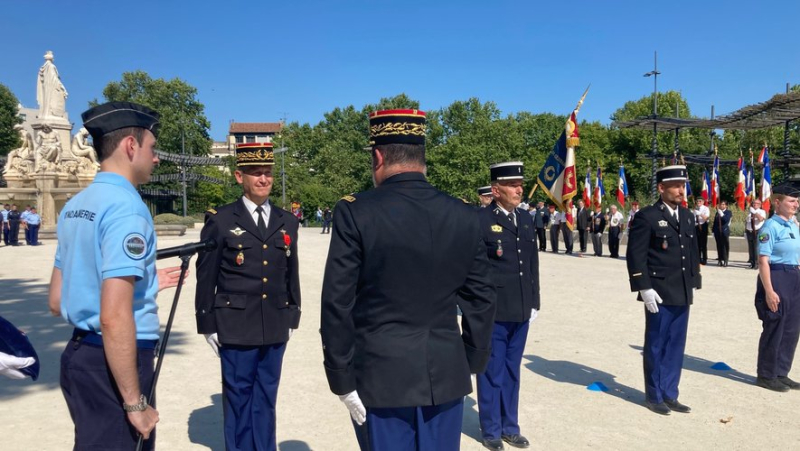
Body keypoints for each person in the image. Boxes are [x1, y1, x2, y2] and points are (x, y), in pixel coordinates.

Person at [320, 109, 496, 451]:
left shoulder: (356, 211)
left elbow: (338, 302)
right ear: (422, 157)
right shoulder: (462, 213)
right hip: (446, 374)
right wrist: (472, 359)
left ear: (378, 156)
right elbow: (481, 296)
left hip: (380, 377)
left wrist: (341, 376)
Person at [48, 102, 164, 449]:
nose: (155, 158)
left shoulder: (75, 205)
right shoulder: (128, 209)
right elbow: (114, 316)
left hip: (79, 355)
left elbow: (56, 299)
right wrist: (134, 403)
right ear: (131, 145)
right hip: (116, 363)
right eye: (152, 148)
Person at [195, 141, 301, 451]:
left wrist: (293, 311)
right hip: (236, 323)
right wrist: (207, 322)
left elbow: (289, 271)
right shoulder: (222, 220)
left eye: (267, 173)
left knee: (266, 398)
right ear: (239, 176)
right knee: (239, 397)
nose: (263, 179)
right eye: (256, 173)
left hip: (274, 321)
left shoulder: (287, 221)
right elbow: (207, 275)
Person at [626, 165, 701, 416]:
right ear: (661, 188)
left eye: (683, 185)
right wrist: (643, 287)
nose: (682, 190)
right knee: (656, 343)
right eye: (676, 186)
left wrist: (694, 280)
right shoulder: (646, 216)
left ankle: (671, 393)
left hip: (681, 290)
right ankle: (654, 394)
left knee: (676, 345)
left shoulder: (688, 216)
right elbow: (635, 256)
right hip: (658, 291)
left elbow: (691, 253)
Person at [476, 161, 539, 450]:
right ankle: (490, 429)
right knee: (492, 370)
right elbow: (473, 268)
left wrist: (534, 301)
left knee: (513, 370)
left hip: (521, 308)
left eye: (520, 184)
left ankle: (509, 427)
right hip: (494, 310)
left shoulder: (525, 219)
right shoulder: (480, 220)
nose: (519, 189)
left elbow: (532, 264)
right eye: (513, 185)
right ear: (496, 189)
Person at [753, 183, 800, 392]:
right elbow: (763, 261)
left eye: (797, 201)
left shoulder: (792, 225)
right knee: (775, 325)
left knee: (791, 327)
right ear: (777, 202)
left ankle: (781, 372)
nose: (796, 204)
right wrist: (769, 291)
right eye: (791, 201)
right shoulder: (770, 227)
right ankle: (766, 374)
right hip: (776, 275)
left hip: (794, 277)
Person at [746, 199, 767, 269]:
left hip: (758, 231)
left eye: (757, 203)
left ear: (760, 205)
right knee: (751, 247)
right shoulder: (750, 211)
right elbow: (747, 221)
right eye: (754, 203)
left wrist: (755, 213)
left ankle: (756, 263)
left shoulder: (762, 211)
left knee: (756, 247)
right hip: (749, 231)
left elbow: (761, 219)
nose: (755, 204)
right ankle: (752, 262)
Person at [712, 201, 733, 266]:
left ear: (726, 206)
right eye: (721, 204)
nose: (722, 205)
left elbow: (725, 220)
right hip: (717, 231)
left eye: (723, 204)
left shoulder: (728, 212)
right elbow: (715, 222)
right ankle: (720, 260)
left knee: (725, 246)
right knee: (719, 246)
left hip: (724, 231)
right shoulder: (717, 212)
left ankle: (725, 260)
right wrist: (713, 231)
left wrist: (722, 214)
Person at [693, 198, 710, 265]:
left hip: (703, 226)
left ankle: (704, 259)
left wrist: (699, 213)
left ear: (703, 202)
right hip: (696, 226)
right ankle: (698, 259)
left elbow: (706, 218)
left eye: (700, 201)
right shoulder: (695, 209)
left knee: (703, 244)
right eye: (697, 201)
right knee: (697, 244)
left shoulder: (706, 208)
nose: (698, 202)